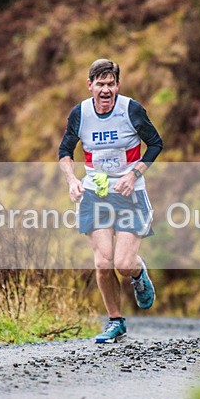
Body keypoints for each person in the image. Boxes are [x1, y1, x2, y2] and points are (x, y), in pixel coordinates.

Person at [58, 58, 163, 343]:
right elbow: (65, 151)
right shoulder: (80, 113)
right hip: (96, 193)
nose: (106, 90)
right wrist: (72, 180)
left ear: (118, 85)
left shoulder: (131, 109)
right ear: (90, 85)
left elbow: (156, 144)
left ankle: (138, 273)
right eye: (100, 84)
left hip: (129, 193)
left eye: (111, 84)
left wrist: (133, 175)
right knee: (103, 263)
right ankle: (116, 321)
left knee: (123, 263)